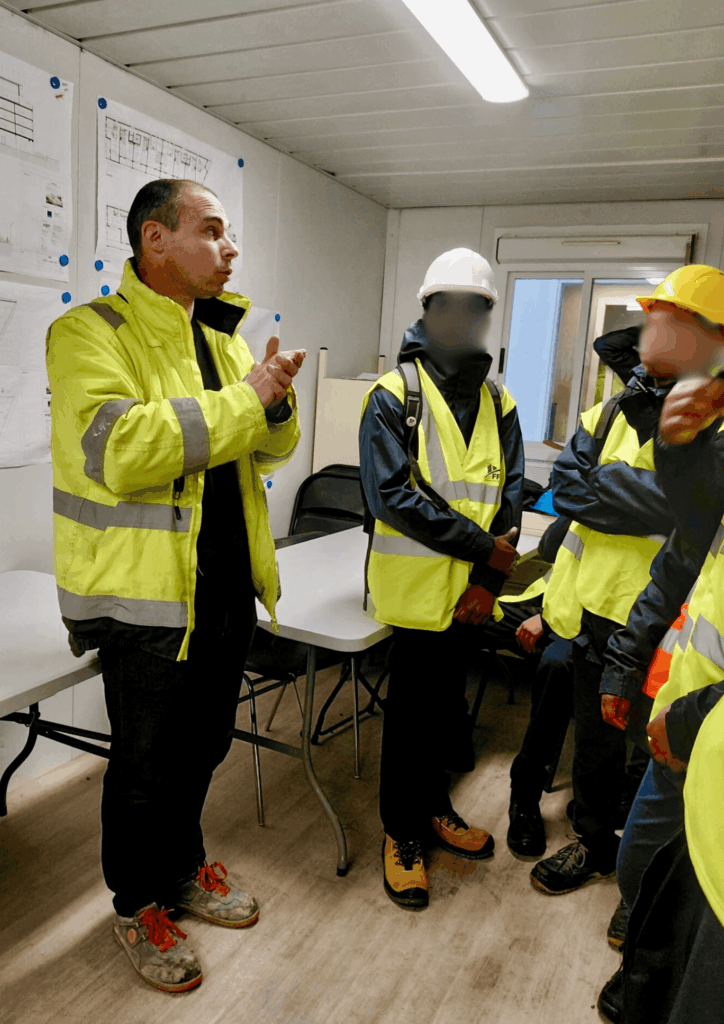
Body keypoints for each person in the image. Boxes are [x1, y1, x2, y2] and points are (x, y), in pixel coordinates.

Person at [45, 178, 305, 993]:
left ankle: (184, 871)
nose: (231, 249)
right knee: (144, 765)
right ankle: (137, 904)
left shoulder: (225, 343)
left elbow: (264, 452)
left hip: (224, 589)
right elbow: (123, 449)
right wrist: (248, 399)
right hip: (144, 598)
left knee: (205, 747)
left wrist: (277, 399)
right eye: (214, 231)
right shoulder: (88, 332)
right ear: (156, 241)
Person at [358, 247, 524, 910]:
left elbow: (510, 490)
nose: (460, 317)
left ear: (484, 314)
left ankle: (432, 811)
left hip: (472, 597)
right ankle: (400, 833)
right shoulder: (392, 395)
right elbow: (391, 495)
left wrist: (488, 579)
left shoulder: (497, 397)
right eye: (446, 305)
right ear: (427, 311)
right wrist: (485, 548)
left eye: (474, 306)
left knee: (442, 713)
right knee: (409, 719)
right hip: (414, 594)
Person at [594, 265, 724, 1022]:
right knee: (643, 860)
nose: (653, 337)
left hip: (702, 723)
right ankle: (638, 968)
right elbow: (682, 554)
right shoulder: (690, 431)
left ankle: (643, 977)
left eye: (676, 321)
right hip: (680, 706)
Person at [528, 326, 679, 896]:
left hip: (671, 619)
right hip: (597, 607)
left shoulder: (709, 420)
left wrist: (609, 487)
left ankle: (646, 877)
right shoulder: (611, 409)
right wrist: (654, 498)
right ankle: (594, 844)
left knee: (659, 753)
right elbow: (566, 490)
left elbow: (695, 504)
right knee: (596, 742)